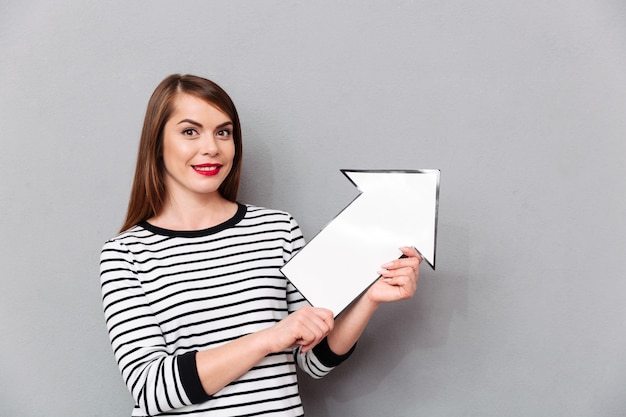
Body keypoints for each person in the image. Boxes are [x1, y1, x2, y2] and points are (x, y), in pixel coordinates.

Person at [100, 74, 422, 417]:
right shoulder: (125, 255)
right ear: (157, 142)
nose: (211, 147)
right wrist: (268, 338)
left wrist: (370, 298)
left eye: (223, 132)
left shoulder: (276, 229)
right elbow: (151, 390)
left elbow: (312, 360)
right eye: (190, 131)